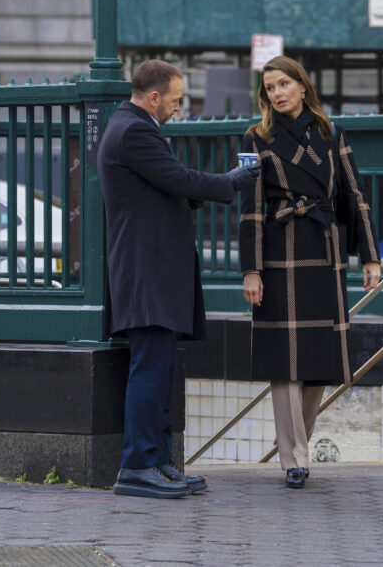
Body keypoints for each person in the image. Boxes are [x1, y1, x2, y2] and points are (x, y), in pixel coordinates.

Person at [97, 59, 261, 499]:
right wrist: (232, 181)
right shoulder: (134, 130)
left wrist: (209, 188)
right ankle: (138, 465)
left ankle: (158, 462)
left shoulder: (131, 126)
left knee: (160, 367)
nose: (177, 108)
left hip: (152, 269)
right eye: (174, 100)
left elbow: (166, 188)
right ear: (153, 97)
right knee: (150, 369)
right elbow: (177, 178)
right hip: (147, 270)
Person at [238, 56, 381, 489]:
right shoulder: (255, 136)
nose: (277, 93)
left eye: (284, 84)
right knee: (285, 360)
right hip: (280, 253)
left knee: (317, 358)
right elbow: (251, 208)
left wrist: (370, 256)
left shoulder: (331, 132)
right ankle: (294, 457)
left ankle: (298, 446)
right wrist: (251, 270)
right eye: (270, 87)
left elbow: (354, 194)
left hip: (323, 251)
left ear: (303, 86)